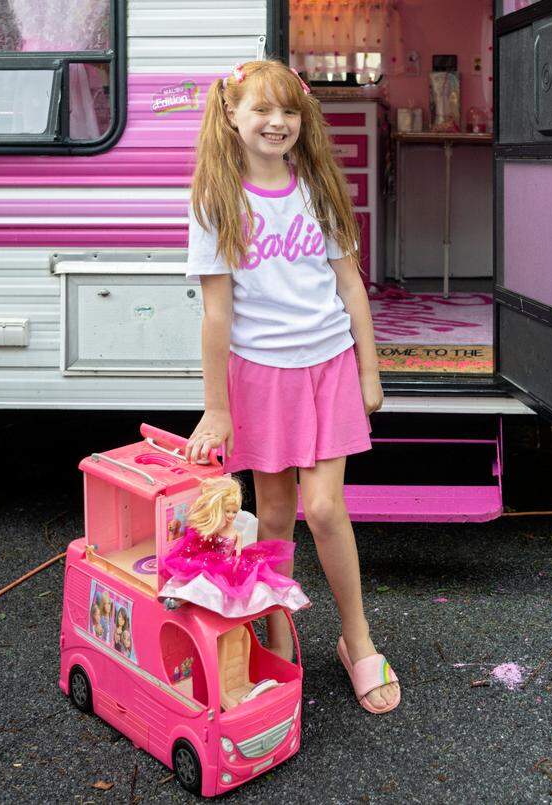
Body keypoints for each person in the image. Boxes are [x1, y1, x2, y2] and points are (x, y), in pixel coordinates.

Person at [182, 59, 399, 713]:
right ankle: (278, 632)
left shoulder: (320, 188)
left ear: (303, 121)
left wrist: (368, 367)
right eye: (262, 110)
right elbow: (216, 315)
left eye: (290, 111)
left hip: (328, 364)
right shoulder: (216, 202)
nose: (277, 123)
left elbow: (350, 285)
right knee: (273, 513)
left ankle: (356, 639)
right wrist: (215, 409)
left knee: (326, 507)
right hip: (260, 376)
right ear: (233, 116)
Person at [159, 476, 310, 618]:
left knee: (250, 586)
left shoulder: (236, 534)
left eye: (234, 512)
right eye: (227, 511)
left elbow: (237, 553)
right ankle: (178, 598)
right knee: (198, 577)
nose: (231, 515)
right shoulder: (217, 528)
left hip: (229, 562)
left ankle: (290, 600)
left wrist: (235, 562)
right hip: (212, 559)